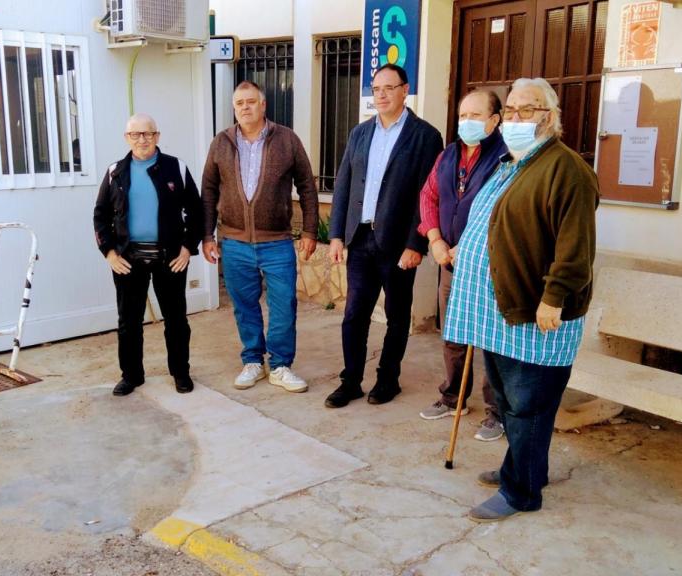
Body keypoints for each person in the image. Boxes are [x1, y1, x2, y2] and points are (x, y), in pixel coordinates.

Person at [443, 78, 599, 522]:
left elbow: (576, 246)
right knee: (511, 403)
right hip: (497, 313)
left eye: (525, 110)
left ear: (549, 117)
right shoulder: (513, 164)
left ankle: (521, 492)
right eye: (509, 111)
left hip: (536, 315)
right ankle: (527, 469)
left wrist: (554, 297)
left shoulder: (566, 169)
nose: (514, 119)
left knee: (529, 405)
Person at [325, 63, 443, 408]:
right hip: (360, 240)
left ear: (405, 91)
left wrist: (416, 243)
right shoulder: (360, 134)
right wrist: (335, 235)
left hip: (398, 244)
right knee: (354, 315)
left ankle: (388, 380)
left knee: (396, 315)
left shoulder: (425, 136)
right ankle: (350, 381)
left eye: (389, 88)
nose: (381, 95)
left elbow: (428, 194)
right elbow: (345, 184)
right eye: (376, 89)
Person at [201, 80, 319, 393]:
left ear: (263, 105)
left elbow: (307, 186)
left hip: (277, 242)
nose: (245, 108)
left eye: (251, 102)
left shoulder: (287, 140)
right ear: (234, 107)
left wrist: (309, 230)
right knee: (244, 305)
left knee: (283, 305)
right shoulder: (221, 143)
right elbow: (209, 190)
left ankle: (280, 365)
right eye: (239, 103)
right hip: (235, 242)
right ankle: (253, 361)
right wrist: (207, 235)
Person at [415, 89, 508, 443]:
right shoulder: (449, 155)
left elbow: (500, 211)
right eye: (463, 115)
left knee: (491, 340)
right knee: (453, 334)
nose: (466, 122)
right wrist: (436, 241)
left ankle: (496, 412)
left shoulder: (505, 158)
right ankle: (453, 397)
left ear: (495, 120)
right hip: (449, 262)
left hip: (488, 264)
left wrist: (467, 248)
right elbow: (429, 196)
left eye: (475, 116)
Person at [93, 113, 203, 395]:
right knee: (128, 322)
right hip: (128, 260)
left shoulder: (175, 168)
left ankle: (181, 373)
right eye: (135, 134)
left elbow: (196, 209)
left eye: (148, 134)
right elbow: (100, 216)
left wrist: (188, 248)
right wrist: (109, 254)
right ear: (126, 138)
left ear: (157, 136)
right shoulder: (115, 172)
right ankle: (131, 376)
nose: (142, 139)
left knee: (176, 320)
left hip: (170, 259)